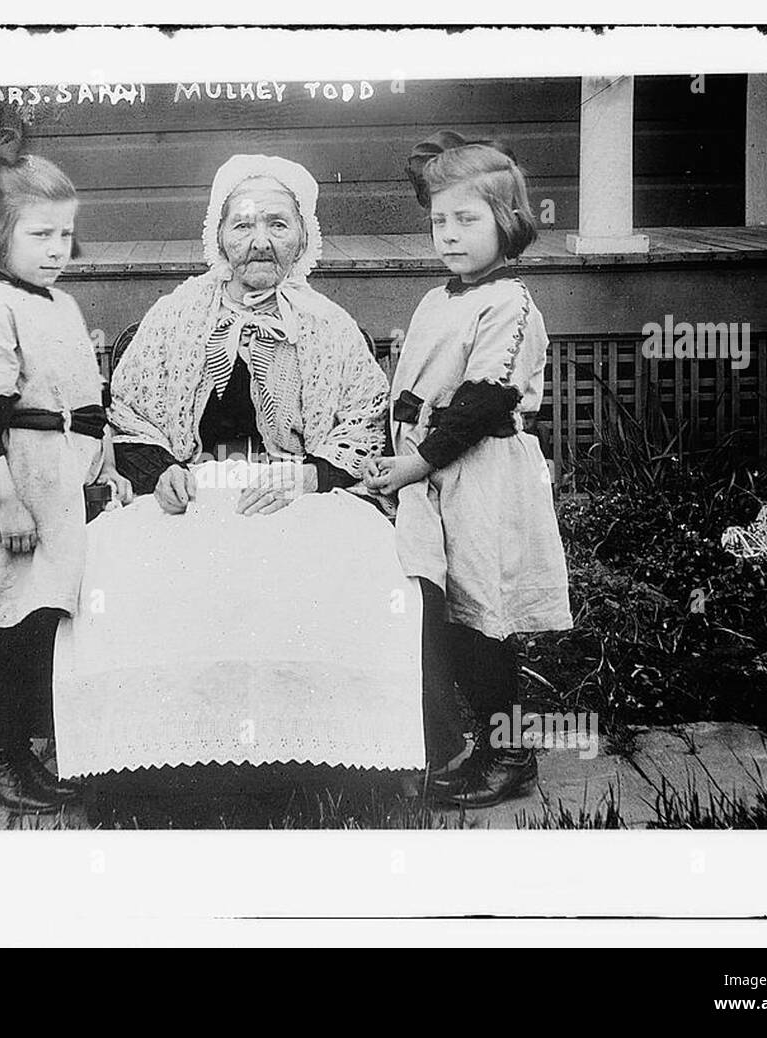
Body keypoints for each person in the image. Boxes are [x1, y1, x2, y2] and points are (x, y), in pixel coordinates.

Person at [366, 134, 572, 808]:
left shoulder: (508, 303)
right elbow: (414, 387)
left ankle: (508, 753)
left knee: (485, 616)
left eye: (468, 220)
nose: (450, 235)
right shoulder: (439, 299)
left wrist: (417, 460)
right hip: (429, 479)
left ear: (507, 222)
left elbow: (482, 403)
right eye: (439, 221)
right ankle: (467, 743)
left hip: (479, 474)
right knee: (444, 610)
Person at [0, 151, 133, 813]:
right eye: (37, 235)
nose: (55, 250)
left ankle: (16, 753)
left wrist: (103, 468)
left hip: (59, 479)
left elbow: (83, 402)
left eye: (63, 235)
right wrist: (8, 502)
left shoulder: (57, 304)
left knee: (43, 621)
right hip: (12, 481)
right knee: (19, 624)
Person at [108, 154, 388, 516]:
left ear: (303, 239)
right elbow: (131, 418)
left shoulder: (330, 325)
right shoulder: (175, 315)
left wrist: (307, 479)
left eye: (278, 225)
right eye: (242, 226)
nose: (260, 242)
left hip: (295, 505)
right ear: (219, 237)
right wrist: (162, 473)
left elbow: (363, 423)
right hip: (193, 505)